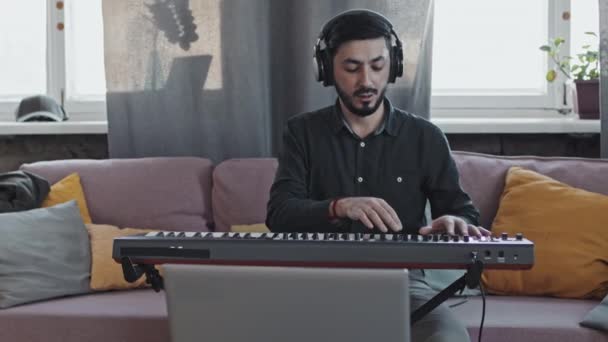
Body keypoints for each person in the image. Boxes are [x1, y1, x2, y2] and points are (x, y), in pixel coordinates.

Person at [266, 9, 490, 342]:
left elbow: (462, 211)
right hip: (318, 280)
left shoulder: (425, 137)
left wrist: (454, 222)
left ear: (394, 66)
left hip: (404, 283)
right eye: (352, 68)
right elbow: (279, 213)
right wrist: (340, 206)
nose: (367, 81)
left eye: (378, 66)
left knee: (448, 337)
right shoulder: (301, 133)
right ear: (326, 70)